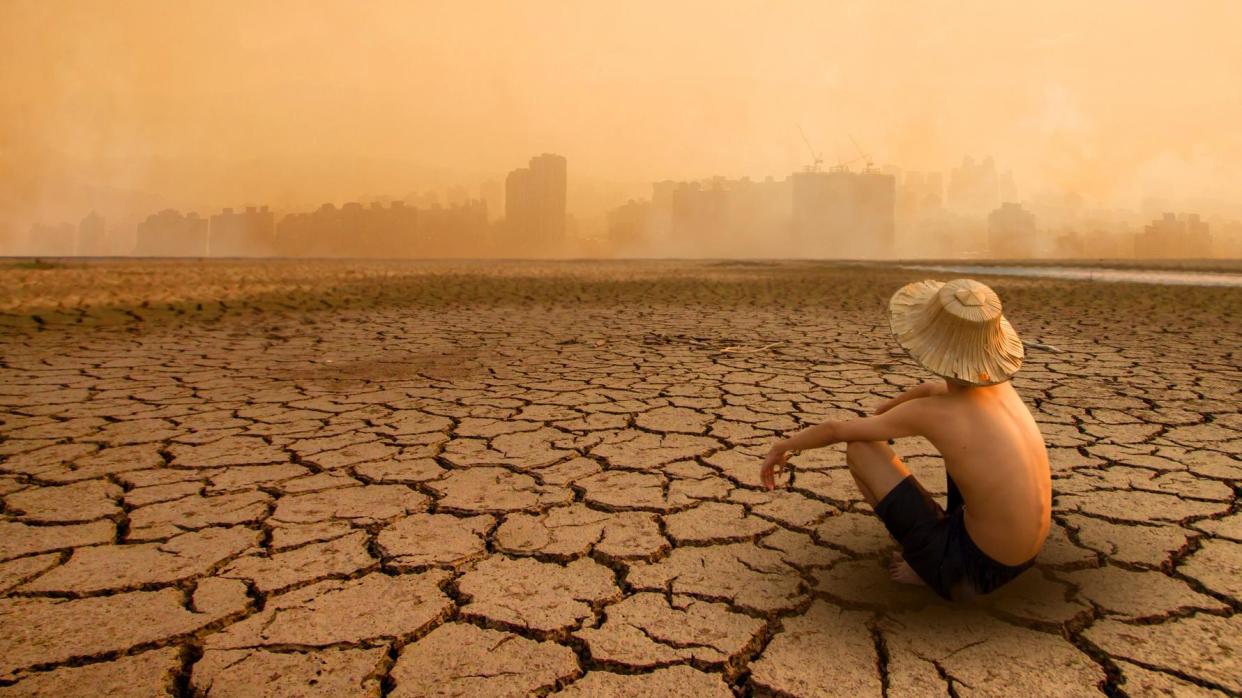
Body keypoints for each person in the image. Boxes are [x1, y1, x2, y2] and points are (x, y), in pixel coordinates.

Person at [759, 278, 1050, 601]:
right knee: (970, 461)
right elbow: (930, 390)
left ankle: (926, 566)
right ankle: (940, 549)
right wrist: (886, 410)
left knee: (861, 447)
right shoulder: (999, 391)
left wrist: (782, 446)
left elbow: (836, 430)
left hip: (968, 573)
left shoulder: (935, 414)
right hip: (1024, 557)